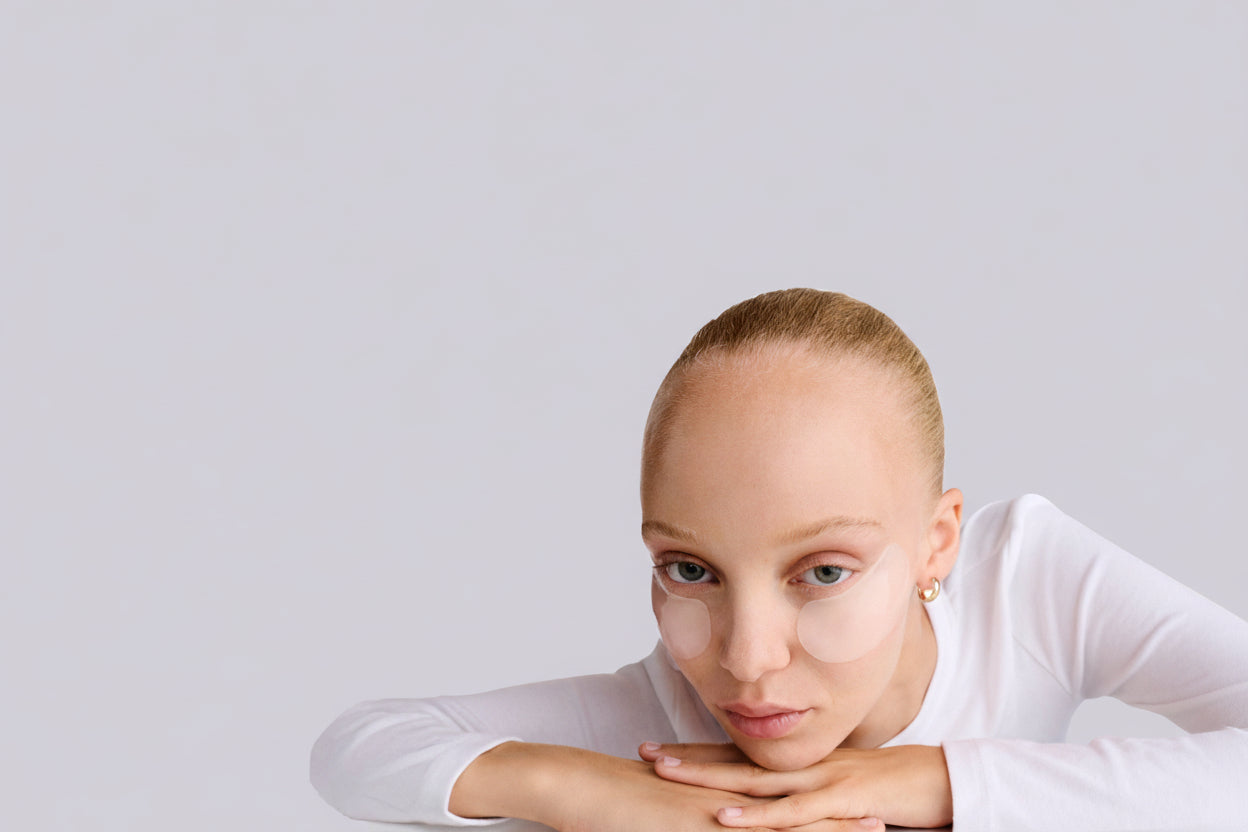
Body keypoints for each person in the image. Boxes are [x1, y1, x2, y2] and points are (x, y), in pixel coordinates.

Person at [310, 289, 1248, 831]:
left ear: (938, 542)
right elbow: (360, 746)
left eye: (824, 572)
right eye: (690, 570)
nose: (746, 659)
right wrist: (596, 793)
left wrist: (930, 779)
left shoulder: (1026, 581)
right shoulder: (660, 732)